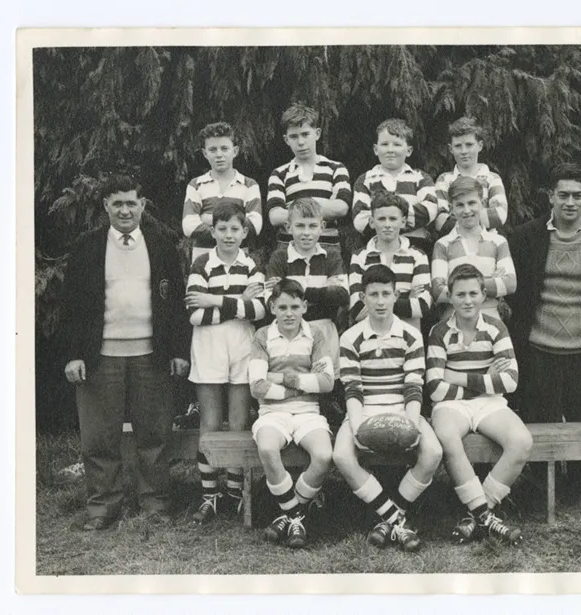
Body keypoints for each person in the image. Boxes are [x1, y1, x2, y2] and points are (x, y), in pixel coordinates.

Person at [60, 174, 190, 530]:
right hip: (101, 356)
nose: (125, 210)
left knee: (155, 435)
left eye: (131, 202)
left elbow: (175, 303)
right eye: (117, 203)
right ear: (105, 206)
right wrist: (74, 355)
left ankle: (156, 504)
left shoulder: (161, 244)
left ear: (143, 205)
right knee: (99, 437)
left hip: (152, 354)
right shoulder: (87, 246)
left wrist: (179, 350)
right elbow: (70, 307)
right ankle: (103, 507)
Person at [506, 163, 581, 498]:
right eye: (564, 195)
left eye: (578, 196)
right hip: (539, 349)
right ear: (551, 196)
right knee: (538, 422)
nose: (570, 202)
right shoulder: (526, 238)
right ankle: (539, 490)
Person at [333, 265, 443, 552]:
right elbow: (353, 388)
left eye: (386, 294)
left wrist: (411, 424)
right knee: (341, 455)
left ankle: (389, 518)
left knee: (433, 452)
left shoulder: (410, 335)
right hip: (365, 409)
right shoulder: (350, 338)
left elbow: (413, 385)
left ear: (396, 296)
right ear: (363, 298)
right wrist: (357, 427)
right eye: (373, 295)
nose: (380, 301)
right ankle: (397, 521)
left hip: (402, 407)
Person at [427, 263, 531, 544]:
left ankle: (477, 513)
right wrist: (485, 378)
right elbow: (436, 388)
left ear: (484, 295)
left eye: (474, 293)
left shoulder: (496, 328)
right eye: (460, 294)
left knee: (521, 441)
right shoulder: (439, 332)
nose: (467, 300)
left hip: (489, 404)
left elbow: (510, 381)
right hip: (452, 405)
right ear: (449, 296)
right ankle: (486, 517)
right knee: (447, 436)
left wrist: (457, 376)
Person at [185, 202, 267, 524]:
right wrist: (239, 301)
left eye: (235, 229)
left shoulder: (252, 264)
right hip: (207, 347)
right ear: (213, 231)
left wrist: (215, 300)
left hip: (243, 346)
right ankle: (209, 495)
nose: (228, 235)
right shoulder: (201, 263)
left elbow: (260, 311)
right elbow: (194, 313)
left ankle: (235, 493)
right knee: (209, 422)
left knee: (238, 423)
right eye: (222, 229)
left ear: (245, 232)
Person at [249, 279, 335, 549]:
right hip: (273, 412)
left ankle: (287, 515)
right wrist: (300, 384)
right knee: (267, 448)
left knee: (323, 455)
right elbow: (256, 386)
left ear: (304, 307)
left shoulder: (315, 335)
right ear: (272, 307)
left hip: (309, 412)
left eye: (295, 306)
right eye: (282, 306)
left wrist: (281, 378)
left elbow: (327, 382)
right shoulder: (262, 335)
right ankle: (297, 516)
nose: (289, 313)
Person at [265, 197, 349, 377]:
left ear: (322, 226)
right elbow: (271, 299)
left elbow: (341, 295)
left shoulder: (331, 257)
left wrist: (294, 288)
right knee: (293, 382)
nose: (306, 233)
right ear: (288, 227)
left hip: (324, 329)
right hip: (289, 332)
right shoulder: (279, 257)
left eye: (312, 226)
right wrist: (323, 292)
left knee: (325, 385)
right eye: (300, 226)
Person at [265, 103, 352, 258]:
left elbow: (341, 208)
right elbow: (275, 216)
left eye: (305, 134)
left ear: (317, 133)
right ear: (286, 140)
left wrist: (294, 210)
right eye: (294, 136)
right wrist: (322, 208)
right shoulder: (279, 174)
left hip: (328, 247)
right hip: (288, 248)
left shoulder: (335, 169)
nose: (300, 142)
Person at [431, 176, 516, 321]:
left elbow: (510, 284)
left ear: (482, 203)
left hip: (491, 321)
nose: (467, 210)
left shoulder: (498, 242)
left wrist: (455, 286)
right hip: (453, 321)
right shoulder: (443, 245)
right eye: (460, 205)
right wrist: (489, 282)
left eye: (472, 203)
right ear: (451, 209)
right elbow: (438, 292)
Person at [352, 118, 438, 254]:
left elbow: (430, 211)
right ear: (375, 149)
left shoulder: (420, 178)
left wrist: (382, 219)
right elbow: (360, 219)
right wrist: (402, 219)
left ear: (408, 151)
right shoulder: (366, 180)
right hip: (377, 248)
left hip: (415, 247)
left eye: (397, 145)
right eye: (385, 144)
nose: (390, 150)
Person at [348, 191, 432, 331]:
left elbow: (422, 307)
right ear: (371, 222)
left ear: (403, 221)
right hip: (369, 336)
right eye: (381, 219)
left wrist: (374, 301)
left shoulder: (417, 256)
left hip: (407, 336)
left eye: (393, 219)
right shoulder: (360, 257)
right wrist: (405, 299)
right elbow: (357, 309)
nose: (387, 224)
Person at [181, 121, 262, 263]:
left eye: (224, 148)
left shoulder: (249, 185)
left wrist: (207, 220)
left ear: (235, 151)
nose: (219, 155)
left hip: (238, 261)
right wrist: (234, 225)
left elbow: (255, 225)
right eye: (213, 150)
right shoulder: (196, 185)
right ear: (205, 153)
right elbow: (189, 226)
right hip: (203, 261)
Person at [434, 117, 509, 236]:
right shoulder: (445, 180)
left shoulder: (492, 178)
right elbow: (440, 221)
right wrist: (482, 215)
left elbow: (499, 216)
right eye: (458, 146)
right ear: (450, 149)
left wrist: (457, 216)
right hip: (455, 245)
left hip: (487, 244)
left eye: (469, 145)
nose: (464, 151)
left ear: (479, 145)